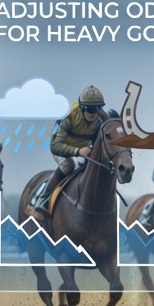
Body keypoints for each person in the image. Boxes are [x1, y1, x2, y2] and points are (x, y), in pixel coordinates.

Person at [30, 86, 108, 218]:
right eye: (89, 109)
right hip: (62, 148)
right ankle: (42, 200)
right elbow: (55, 146)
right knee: (68, 164)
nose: (93, 113)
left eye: (96, 109)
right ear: (82, 107)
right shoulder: (69, 116)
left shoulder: (100, 120)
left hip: (84, 151)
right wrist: (77, 151)